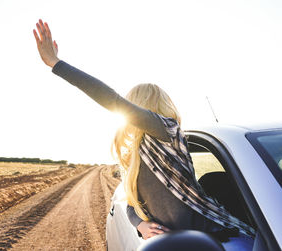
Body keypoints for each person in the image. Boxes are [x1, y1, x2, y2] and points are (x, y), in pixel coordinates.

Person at [33, 19, 255, 250]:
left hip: (222, 239)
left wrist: (57, 64)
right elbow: (132, 203)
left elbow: (112, 100)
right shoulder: (138, 155)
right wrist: (140, 224)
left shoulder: (167, 133)